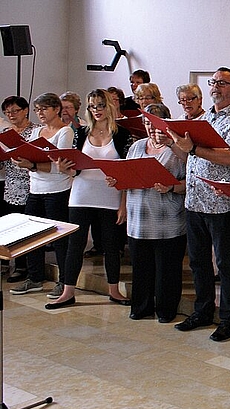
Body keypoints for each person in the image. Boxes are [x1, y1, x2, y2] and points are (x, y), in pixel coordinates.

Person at [168, 67, 230, 342]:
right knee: (198, 262)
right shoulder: (205, 118)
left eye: (221, 83)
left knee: (227, 265)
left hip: (223, 205)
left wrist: (193, 149)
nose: (215, 87)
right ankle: (202, 311)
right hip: (195, 200)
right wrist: (171, 144)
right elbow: (191, 159)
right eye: (212, 82)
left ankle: (229, 319)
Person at [45, 89, 133, 310]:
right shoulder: (81, 132)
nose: (96, 111)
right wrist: (65, 169)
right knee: (76, 244)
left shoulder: (122, 134)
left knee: (111, 245)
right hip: (81, 194)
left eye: (101, 106)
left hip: (110, 195)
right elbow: (74, 168)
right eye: (92, 106)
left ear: (109, 107)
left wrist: (123, 204)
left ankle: (114, 290)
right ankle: (68, 291)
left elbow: (127, 171)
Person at [112, 103, 186, 323]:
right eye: (147, 125)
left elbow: (191, 182)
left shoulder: (177, 150)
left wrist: (171, 187)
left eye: (155, 125)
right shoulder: (136, 147)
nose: (151, 130)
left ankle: (166, 310)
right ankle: (141, 306)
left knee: (167, 270)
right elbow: (126, 177)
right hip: (138, 219)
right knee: (141, 268)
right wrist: (116, 180)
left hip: (167, 220)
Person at [9, 94, 73, 298]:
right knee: (31, 236)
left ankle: (63, 282)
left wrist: (34, 165)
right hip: (35, 189)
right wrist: (24, 161)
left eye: (44, 109)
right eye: (37, 110)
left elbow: (61, 167)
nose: (40, 113)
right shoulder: (36, 131)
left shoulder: (65, 131)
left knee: (60, 238)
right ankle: (34, 278)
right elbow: (29, 155)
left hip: (57, 190)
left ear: (56, 109)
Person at [1, 96, 40, 283]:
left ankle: (23, 266)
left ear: (25, 110)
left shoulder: (35, 131)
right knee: (11, 227)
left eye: (15, 111)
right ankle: (8, 261)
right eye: (7, 112)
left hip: (30, 183)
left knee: (26, 228)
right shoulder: (6, 133)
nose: (11, 115)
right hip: (10, 185)